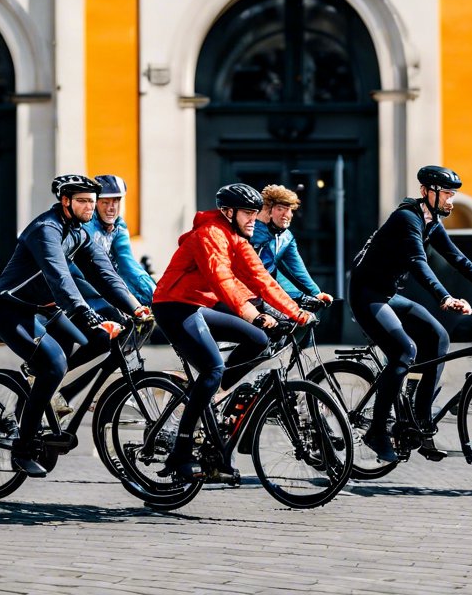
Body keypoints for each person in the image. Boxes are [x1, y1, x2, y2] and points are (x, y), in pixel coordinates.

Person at [0, 174, 152, 477]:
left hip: (46, 308)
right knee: (54, 363)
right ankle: (23, 449)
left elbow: (103, 272)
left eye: (92, 201)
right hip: (11, 309)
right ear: (65, 202)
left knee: (98, 341)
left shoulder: (78, 232)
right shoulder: (45, 229)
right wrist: (87, 313)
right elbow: (58, 275)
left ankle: (58, 397)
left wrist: (135, 306)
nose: (90, 207)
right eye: (83, 202)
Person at [152, 183, 314, 481]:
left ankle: (212, 391)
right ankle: (181, 450)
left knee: (258, 340)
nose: (254, 219)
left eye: (255, 213)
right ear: (228, 212)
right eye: (248, 213)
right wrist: (254, 314)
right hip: (173, 307)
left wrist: (296, 313)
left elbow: (262, 280)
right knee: (213, 367)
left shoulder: (236, 237)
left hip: (197, 307)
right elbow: (222, 280)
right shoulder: (210, 234)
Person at [349, 166, 472, 463]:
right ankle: (377, 431)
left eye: (452, 194)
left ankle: (420, 422)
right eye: (445, 194)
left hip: (390, 297)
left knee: (438, 337)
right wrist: (444, 296)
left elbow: (458, 258)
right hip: (368, 296)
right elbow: (418, 262)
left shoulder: (431, 222)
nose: (450, 200)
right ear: (426, 192)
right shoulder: (407, 218)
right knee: (405, 350)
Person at [76, 174, 156, 308]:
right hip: (83, 290)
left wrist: (155, 296)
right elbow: (98, 270)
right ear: (95, 204)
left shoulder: (119, 226)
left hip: (107, 284)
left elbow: (127, 263)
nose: (111, 208)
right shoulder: (85, 226)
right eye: (105, 202)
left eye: (116, 201)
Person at [251, 184, 333, 304]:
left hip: (264, 294)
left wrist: (316, 293)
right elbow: (265, 271)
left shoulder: (286, 236)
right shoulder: (252, 232)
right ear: (267, 209)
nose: (286, 215)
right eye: (280, 209)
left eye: (289, 209)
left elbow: (296, 267)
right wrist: (298, 297)